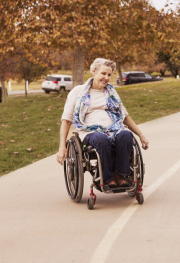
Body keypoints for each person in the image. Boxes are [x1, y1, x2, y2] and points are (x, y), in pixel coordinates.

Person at [57, 58, 149, 188]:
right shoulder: (78, 92)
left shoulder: (111, 93)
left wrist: (141, 135)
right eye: (103, 73)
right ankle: (107, 178)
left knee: (126, 135)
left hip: (115, 129)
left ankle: (121, 175)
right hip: (90, 132)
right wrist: (62, 147)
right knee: (101, 139)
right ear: (94, 72)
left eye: (109, 75)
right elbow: (66, 120)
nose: (106, 77)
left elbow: (125, 117)